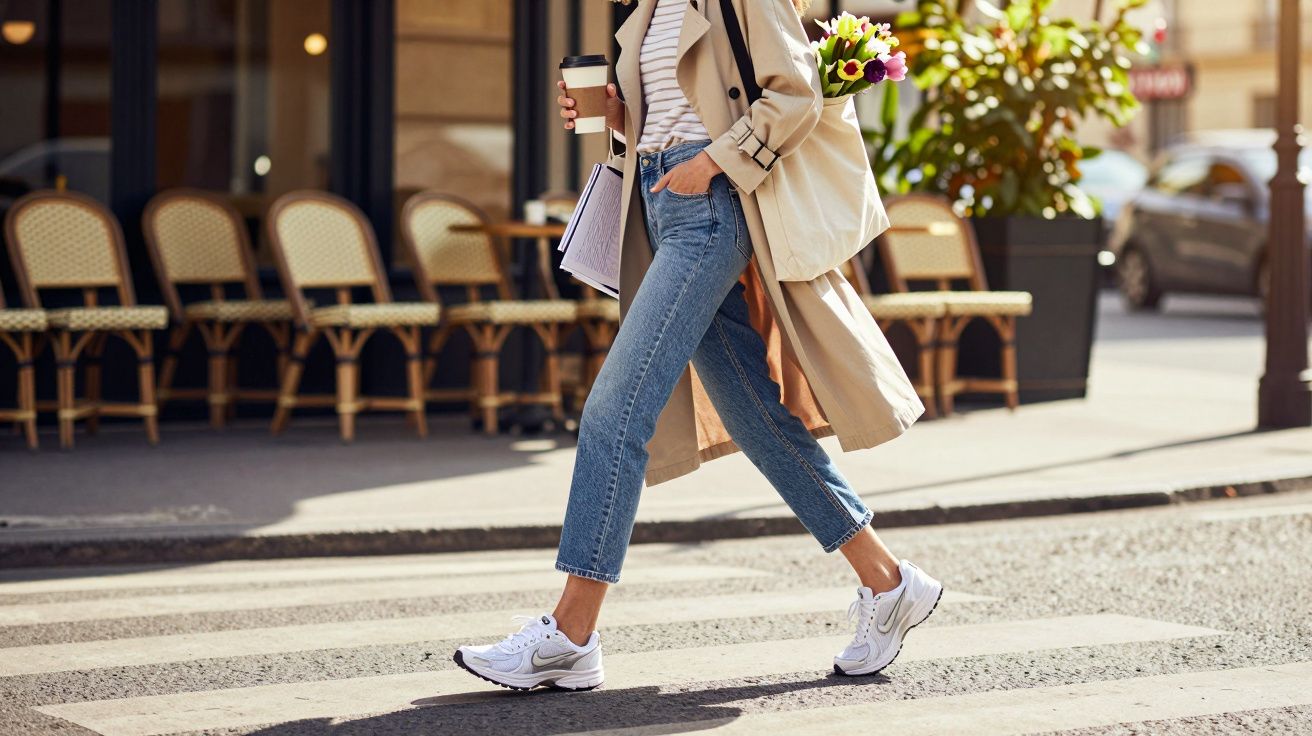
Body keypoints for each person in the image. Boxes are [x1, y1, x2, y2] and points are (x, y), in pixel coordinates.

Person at [454, 0, 940, 691]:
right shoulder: (647, 5)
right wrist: (620, 118)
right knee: (756, 418)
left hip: (709, 212)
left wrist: (714, 161)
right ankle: (888, 582)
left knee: (614, 412)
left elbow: (795, 91)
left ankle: (571, 631)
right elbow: (677, 108)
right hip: (661, 204)